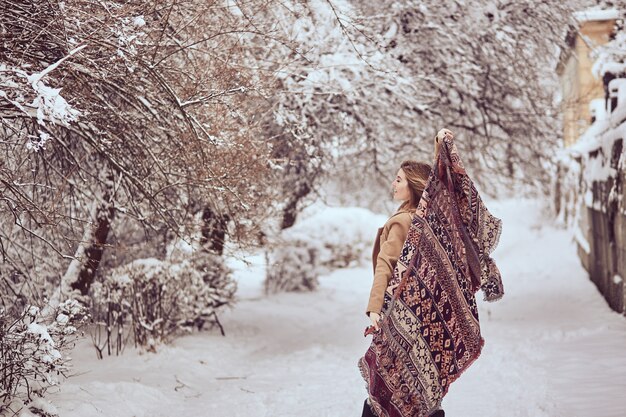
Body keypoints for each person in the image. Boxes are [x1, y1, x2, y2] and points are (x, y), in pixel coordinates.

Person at [360, 129, 451, 417]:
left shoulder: (402, 222)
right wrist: (439, 147)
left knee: (384, 386)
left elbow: (384, 266)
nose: (393, 183)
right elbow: (442, 188)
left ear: (413, 185)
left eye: (399, 179)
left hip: (397, 313)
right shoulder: (428, 220)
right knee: (419, 385)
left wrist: (375, 308)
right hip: (423, 312)